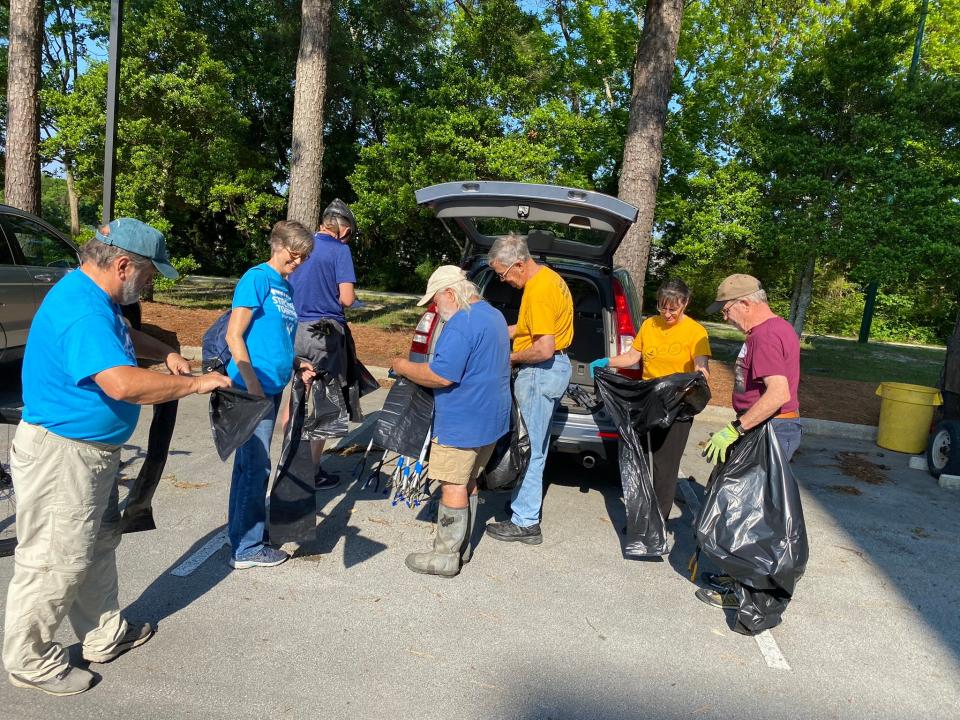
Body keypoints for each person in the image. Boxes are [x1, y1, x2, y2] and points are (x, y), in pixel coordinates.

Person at [3, 218, 231, 697]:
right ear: (123, 264)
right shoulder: (83, 310)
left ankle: (103, 635)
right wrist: (194, 383)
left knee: (97, 545)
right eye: (149, 277)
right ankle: (30, 660)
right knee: (54, 560)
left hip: (91, 455)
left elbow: (122, 344)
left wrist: (163, 351)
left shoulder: (94, 298)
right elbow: (122, 383)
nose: (149, 287)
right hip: (64, 458)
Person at [391, 266, 511, 576]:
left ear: (450, 293)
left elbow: (441, 376)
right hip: (491, 418)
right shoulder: (493, 315)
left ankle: (445, 556)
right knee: (469, 479)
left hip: (462, 420)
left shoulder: (461, 323)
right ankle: (463, 548)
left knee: (453, 484)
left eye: (434, 300)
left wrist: (403, 366)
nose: (434, 307)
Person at [697, 273, 801, 608]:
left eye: (726, 309)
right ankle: (741, 578)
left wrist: (736, 429)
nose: (724, 316)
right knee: (749, 513)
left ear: (746, 303)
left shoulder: (766, 336)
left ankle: (747, 594)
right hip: (766, 429)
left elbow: (778, 394)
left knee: (752, 517)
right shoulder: (773, 329)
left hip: (769, 431)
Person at [224, 220, 316, 570]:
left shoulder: (285, 286)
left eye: (303, 258)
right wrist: (251, 384)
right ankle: (247, 547)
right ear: (277, 245)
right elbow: (235, 335)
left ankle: (240, 533)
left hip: (271, 385)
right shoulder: (257, 278)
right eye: (294, 255)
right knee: (256, 465)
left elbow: (274, 337)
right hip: (253, 387)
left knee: (249, 463)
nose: (298, 263)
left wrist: (296, 363)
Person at [588, 279, 711, 525]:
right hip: (648, 402)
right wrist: (606, 362)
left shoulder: (696, 332)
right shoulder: (649, 325)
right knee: (640, 460)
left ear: (685, 304)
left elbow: (702, 368)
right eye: (662, 307)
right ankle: (640, 519)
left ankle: (657, 525)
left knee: (665, 468)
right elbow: (634, 357)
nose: (666, 314)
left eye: (673, 309)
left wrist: (697, 377)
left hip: (677, 407)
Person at [484, 233, 573, 545]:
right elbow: (527, 328)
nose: (503, 280)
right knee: (534, 444)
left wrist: (508, 358)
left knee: (529, 447)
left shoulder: (538, 290)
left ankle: (525, 521)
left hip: (540, 373)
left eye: (502, 274)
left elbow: (543, 348)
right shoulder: (549, 279)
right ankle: (523, 504)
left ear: (519, 265)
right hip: (551, 372)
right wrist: (494, 331)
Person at [286, 199, 358, 489]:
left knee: (296, 397)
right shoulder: (340, 250)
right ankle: (313, 470)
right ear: (342, 229)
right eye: (350, 232)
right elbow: (347, 298)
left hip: (294, 330)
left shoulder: (303, 246)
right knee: (324, 402)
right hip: (324, 334)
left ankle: (288, 459)